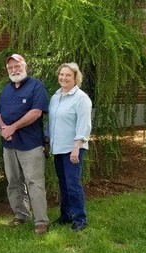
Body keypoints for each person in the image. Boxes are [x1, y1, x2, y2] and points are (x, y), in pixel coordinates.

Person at [0, 54, 49, 235]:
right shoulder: (6, 89)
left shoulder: (37, 86)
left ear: (25, 66)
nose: (14, 70)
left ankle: (41, 221)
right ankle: (20, 215)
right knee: (13, 182)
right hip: (9, 144)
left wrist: (13, 127)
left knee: (34, 182)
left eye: (17, 66)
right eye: (10, 67)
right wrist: (4, 128)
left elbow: (36, 112)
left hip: (30, 144)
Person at [48, 62, 92, 231]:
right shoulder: (55, 96)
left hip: (73, 149)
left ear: (75, 78)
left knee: (73, 185)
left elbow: (84, 125)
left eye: (68, 75)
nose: (64, 78)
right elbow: (52, 122)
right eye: (62, 74)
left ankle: (80, 218)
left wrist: (76, 148)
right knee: (63, 184)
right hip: (58, 148)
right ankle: (66, 215)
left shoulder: (81, 98)